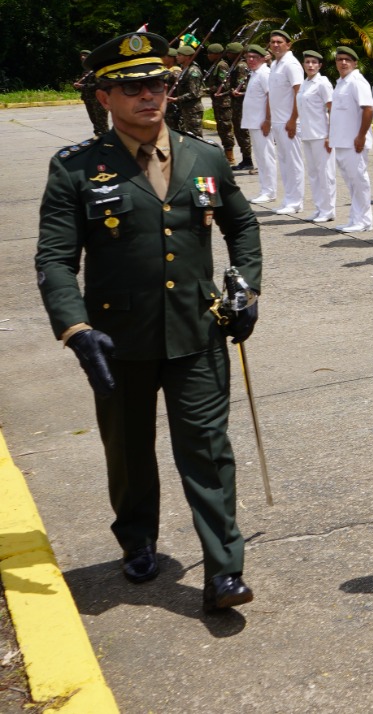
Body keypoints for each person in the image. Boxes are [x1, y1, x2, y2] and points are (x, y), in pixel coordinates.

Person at [35, 31, 262, 614]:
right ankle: (137, 539)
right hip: (119, 341)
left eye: (157, 83)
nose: (149, 95)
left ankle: (224, 570)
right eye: (133, 87)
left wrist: (247, 286)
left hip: (198, 331)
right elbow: (56, 261)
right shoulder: (77, 169)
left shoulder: (204, 155)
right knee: (129, 451)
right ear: (105, 96)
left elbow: (242, 225)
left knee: (209, 450)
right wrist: (76, 330)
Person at [328, 45, 373, 233]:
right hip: (342, 141)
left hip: (354, 141)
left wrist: (361, 136)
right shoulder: (341, 82)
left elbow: (368, 109)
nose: (343, 63)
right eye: (340, 60)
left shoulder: (357, 81)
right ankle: (355, 218)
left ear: (355, 63)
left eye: (348, 60)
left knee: (359, 180)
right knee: (351, 182)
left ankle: (364, 220)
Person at [264, 30, 305, 215]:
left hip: (290, 121)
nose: (275, 45)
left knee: (293, 162)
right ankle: (288, 198)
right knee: (284, 161)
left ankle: (296, 201)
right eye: (272, 42)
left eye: (279, 42)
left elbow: (299, 92)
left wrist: (293, 119)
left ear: (288, 44)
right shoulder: (275, 64)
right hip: (279, 122)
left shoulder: (291, 64)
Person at [297, 50, 336, 223]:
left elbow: (332, 108)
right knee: (313, 173)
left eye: (314, 62)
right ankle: (320, 208)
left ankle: (329, 210)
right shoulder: (305, 83)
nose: (310, 65)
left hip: (321, 134)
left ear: (320, 65)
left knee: (326, 174)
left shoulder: (323, 83)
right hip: (307, 134)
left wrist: (331, 135)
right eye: (307, 62)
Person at [240, 45, 277, 205]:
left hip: (262, 123)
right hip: (254, 123)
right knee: (261, 158)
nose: (251, 60)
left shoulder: (265, 74)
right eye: (248, 57)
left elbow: (271, 97)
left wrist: (268, 120)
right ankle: (265, 189)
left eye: (254, 57)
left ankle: (270, 191)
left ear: (263, 58)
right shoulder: (255, 74)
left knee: (266, 157)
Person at [203, 43, 236, 164]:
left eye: (210, 54)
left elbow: (224, 85)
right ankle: (227, 154)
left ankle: (230, 155)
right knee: (221, 128)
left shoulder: (222, 66)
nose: (208, 56)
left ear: (216, 54)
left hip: (224, 103)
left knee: (226, 128)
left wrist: (208, 89)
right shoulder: (215, 65)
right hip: (218, 103)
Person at [228, 42, 255, 172]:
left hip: (241, 103)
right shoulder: (237, 65)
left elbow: (242, 85)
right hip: (237, 103)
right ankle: (245, 158)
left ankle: (248, 159)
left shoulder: (240, 66)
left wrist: (233, 90)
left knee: (242, 131)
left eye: (229, 52)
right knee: (239, 131)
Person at [170, 43, 206, 135]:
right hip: (186, 110)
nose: (177, 57)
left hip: (193, 111)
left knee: (196, 138)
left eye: (179, 55)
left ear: (187, 57)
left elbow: (193, 93)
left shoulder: (193, 71)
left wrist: (177, 99)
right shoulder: (185, 69)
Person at [73, 49, 110, 136]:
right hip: (88, 99)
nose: (82, 57)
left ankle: (107, 142)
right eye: (81, 56)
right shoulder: (87, 72)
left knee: (102, 123)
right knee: (95, 122)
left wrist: (82, 86)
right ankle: (98, 139)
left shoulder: (97, 70)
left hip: (98, 100)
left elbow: (97, 85)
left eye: (85, 55)